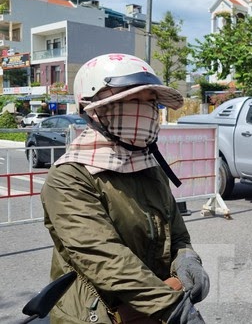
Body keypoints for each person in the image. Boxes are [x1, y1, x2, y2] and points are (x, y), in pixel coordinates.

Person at [41, 53, 209, 324]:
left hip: (157, 308)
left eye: (150, 102)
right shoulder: (69, 176)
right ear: (93, 109)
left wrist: (188, 260)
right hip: (97, 316)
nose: (144, 110)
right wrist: (173, 309)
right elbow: (104, 257)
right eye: (131, 100)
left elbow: (177, 235)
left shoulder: (150, 167)